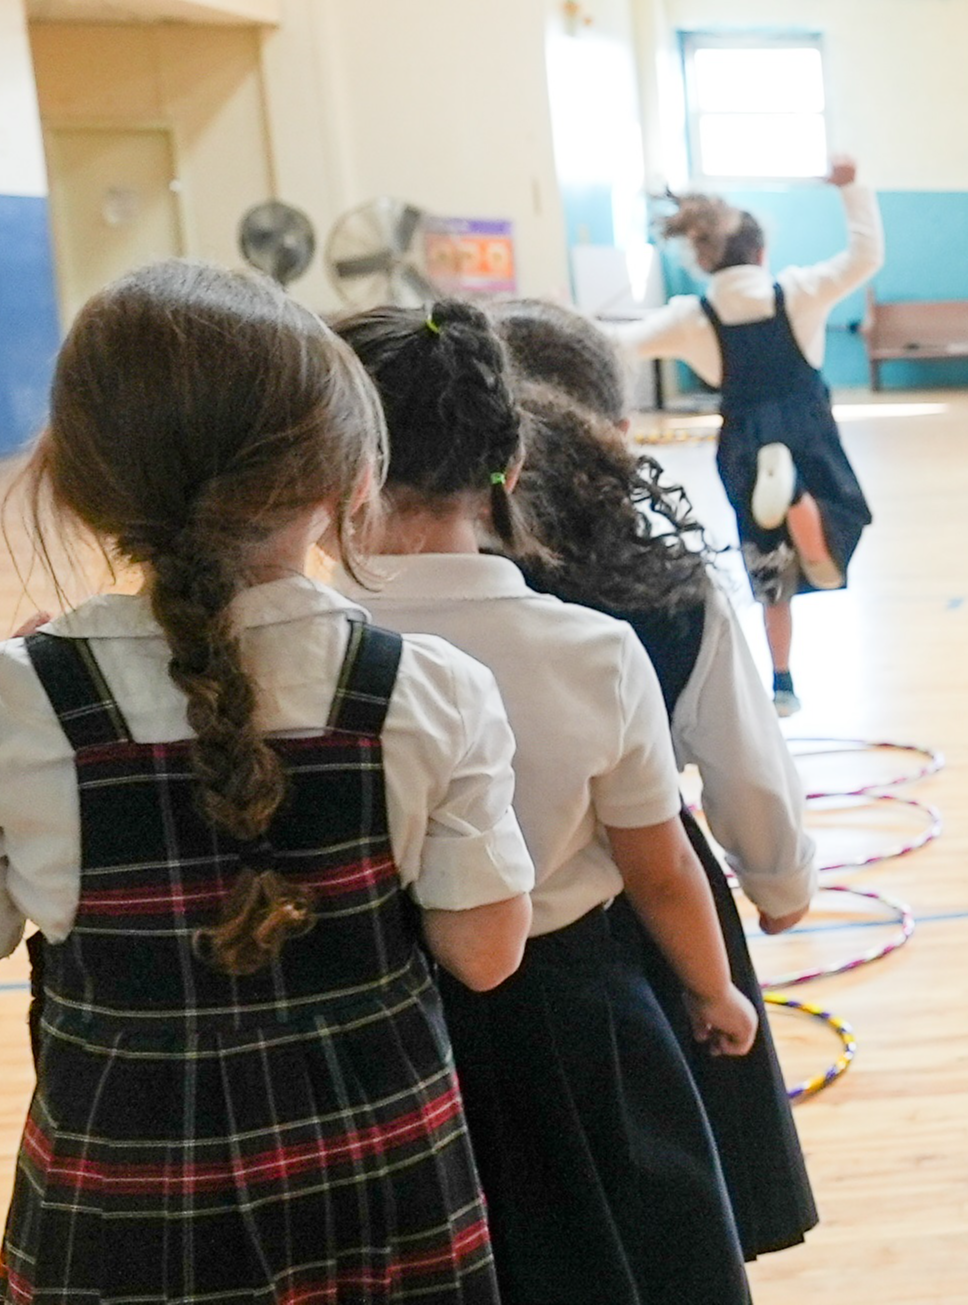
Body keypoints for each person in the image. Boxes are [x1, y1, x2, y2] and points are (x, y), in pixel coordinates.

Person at [0, 260, 534, 1303]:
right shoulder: (428, 690)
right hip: (382, 1192)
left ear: (76, 480)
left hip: (126, 1209)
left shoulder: (4, 702)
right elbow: (485, 956)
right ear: (347, 478)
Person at [338, 300, 765, 1305]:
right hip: (572, 1026)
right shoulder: (589, 650)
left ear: (337, 469)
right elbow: (659, 868)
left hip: (372, 1035)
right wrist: (713, 992)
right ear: (510, 468)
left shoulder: (296, 648)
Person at [492, 295, 825, 1255]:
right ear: (616, 432)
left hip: (450, 941)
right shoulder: (667, 587)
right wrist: (780, 883)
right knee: (667, 1208)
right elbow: (743, 767)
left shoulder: (406, 596)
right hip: (640, 926)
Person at [619, 156, 882, 717]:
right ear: (761, 253)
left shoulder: (695, 315)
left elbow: (620, 343)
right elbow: (866, 256)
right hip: (806, 430)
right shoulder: (798, 292)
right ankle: (802, 510)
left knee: (767, 569)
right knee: (846, 515)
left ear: (707, 256)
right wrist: (852, 188)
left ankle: (783, 683)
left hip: (742, 440)